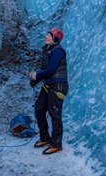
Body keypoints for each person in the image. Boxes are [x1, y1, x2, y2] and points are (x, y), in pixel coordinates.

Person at [28, 27, 68, 155]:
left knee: (54, 114)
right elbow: (45, 70)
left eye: (49, 36)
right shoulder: (49, 50)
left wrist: (36, 76)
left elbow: (51, 70)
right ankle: (45, 138)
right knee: (39, 109)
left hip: (58, 87)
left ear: (55, 39)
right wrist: (35, 79)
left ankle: (56, 144)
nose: (46, 37)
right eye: (47, 35)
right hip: (48, 85)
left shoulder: (58, 52)